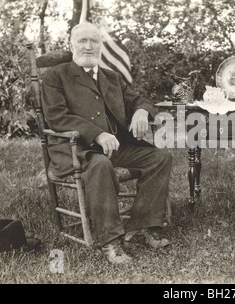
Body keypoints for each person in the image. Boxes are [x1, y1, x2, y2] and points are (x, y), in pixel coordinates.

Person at [42, 22, 173, 264]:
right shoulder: (56, 76)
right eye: (83, 41)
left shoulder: (111, 77)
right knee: (101, 164)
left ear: (100, 46)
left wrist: (142, 112)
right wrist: (96, 134)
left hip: (117, 148)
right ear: (71, 45)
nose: (89, 46)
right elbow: (57, 116)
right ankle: (110, 241)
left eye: (94, 41)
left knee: (160, 157)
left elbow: (138, 99)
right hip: (77, 150)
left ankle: (143, 228)